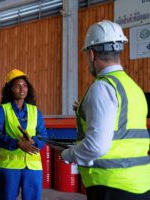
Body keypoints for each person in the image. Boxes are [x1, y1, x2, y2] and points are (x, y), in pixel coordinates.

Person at [61, 20, 150, 200]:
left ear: (92, 54)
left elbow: (96, 146)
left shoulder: (102, 87)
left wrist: (68, 154)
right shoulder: (134, 88)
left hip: (111, 185)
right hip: (140, 184)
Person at [0, 69, 48, 200]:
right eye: (17, 85)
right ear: (10, 89)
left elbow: (43, 135)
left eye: (24, 85)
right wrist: (17, 143)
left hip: (32, 168)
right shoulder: (3, 110)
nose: (22, 89)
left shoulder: (35, 111)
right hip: (9, 167)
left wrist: (32, 142)